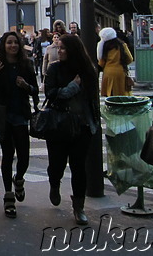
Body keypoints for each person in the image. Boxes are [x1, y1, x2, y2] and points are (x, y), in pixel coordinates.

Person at [43, 34, 100, 226]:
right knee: (57, 164)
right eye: (58, 48)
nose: (59, 51)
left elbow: (93, 98)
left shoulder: (87, 70)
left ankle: (79, 207)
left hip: (82, 125)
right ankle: (54, 183)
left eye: (63, 48)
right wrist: (72, 87)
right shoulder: (54, 68)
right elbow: (51, 94)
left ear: (73, 50)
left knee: (79, 167)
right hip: (59, 124)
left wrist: (95, 123)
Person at [0, 31, 38, 218]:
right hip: (4, 116)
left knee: (24, 157)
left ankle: (19, 179)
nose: (13, 46)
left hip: (21, 115)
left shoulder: (26, 65)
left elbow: (35, 91)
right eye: (9, 43)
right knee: (7, 156)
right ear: (4, 45)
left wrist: (26, 86)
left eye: (16, 42)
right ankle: (8, 196)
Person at [97, 27, 133, 97]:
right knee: (122, 94)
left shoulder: (104, 46)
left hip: (108, 72)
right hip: (120, 71)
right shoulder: (122, 45)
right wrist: (123, 63)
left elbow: (101, 62)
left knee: (110, 94)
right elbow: (130, 59)